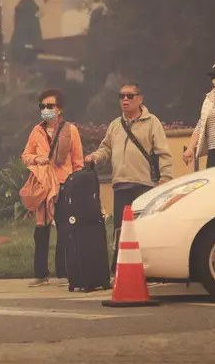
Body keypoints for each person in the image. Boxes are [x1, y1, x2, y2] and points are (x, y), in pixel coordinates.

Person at [84, 82, 173, 282]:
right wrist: (95, 157)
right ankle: (120, 272)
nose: (125, 99)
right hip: (121, 185)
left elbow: (163, 154)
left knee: (145, 230)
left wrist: (165, 180)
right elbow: (106, 148)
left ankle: (152, 271)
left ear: (140, 99)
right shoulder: (116, 125)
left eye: (130, 96)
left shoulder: (152, 122)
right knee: (121, 231)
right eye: (122, 96)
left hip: (144, 185)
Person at [21, 88, 84, 288]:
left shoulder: (70, 130)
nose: (46, 110)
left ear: (59, 109)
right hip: (43, 186)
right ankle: (40, 274)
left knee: (65, 229)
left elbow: (78, 161)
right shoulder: (36, 131)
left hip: (64, 184)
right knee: (41, 230)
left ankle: (63, 272)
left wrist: (75, 183)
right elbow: (25, 155)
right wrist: (36, 159)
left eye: (50, 106)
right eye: (43, 106)